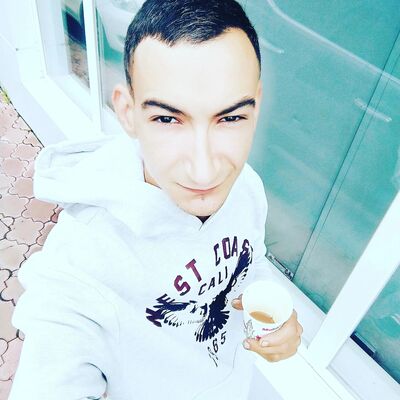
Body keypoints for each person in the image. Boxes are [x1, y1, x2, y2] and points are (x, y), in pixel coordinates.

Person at [9, 1, 302, 399]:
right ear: (127, 112)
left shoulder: (245, 184)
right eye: (167, 119)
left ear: (257, 104)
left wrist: (274, 312)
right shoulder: (83, 267)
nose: (204, 172)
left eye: (230, 118)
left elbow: (248, 262)